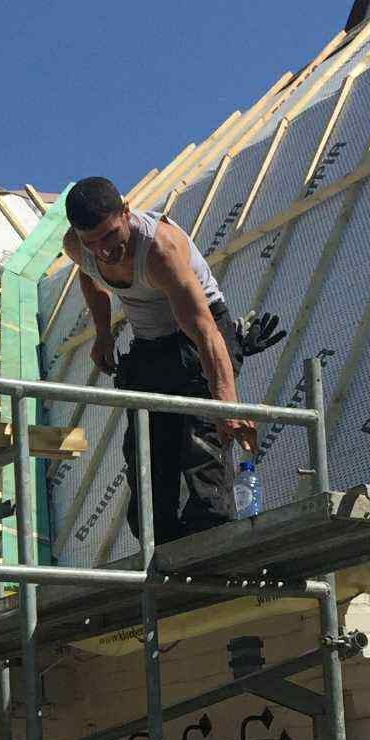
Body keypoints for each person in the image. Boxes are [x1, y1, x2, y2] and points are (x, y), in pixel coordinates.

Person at [65, 175, 249, 544]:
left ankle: (213, 547)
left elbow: (204, 331)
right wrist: (103, 333)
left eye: (110, 236)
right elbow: (90, 276)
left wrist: (226, 405)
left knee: (203, 452)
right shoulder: (77, 246)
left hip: (199, 337)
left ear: (126, 212)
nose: (103, 250)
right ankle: (164, 556)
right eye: (92, 242)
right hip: (151, 347)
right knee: (147, 468)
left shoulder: (160, 250)